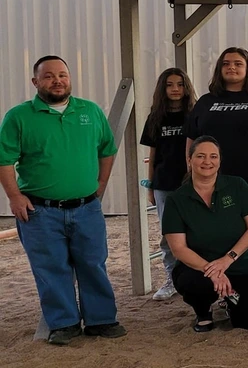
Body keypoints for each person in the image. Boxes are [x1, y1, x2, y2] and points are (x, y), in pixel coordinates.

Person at [0, 55, 127, 346]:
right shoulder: (19, 117)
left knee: (93, 263)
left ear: (70, 79)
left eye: (62, 75)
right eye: (48, 76)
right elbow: (4, 159)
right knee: (51, 267)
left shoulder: (90, 112)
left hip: (86, 208)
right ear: (35, 82)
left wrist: (102, 182)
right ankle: (64, 323)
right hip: (40, 211)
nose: (57, 80)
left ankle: (101, 320)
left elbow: (107, 148)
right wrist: (14, 196)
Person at [163, 136, 248, 332]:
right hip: (201, 269)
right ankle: (203, 311)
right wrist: (213, 271)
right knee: (192, 282)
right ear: (189, 160)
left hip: (240, 263)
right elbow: (178, 248)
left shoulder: (237, 185)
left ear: (220, 161)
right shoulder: (176, 200)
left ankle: (229, 299)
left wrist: (227, 260)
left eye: (213, 156)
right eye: (200, 156)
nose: (207, 162)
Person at [184, 47, 248, 210]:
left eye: (238, 64)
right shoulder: (205, 102)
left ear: (247, 68)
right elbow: (192, 137)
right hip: (210, 177)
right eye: (226, 63)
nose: (231, 67)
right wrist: (190, 168)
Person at [141, 67, 198, 301]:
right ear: (162, 89)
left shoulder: (194, 115)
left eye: (180, 84)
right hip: (165, 184)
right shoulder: (156, 117)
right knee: (169, 233)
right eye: (170, 85)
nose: (175, 89)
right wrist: (150, 185)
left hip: (192, 183)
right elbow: (153, 155)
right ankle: (171, 279)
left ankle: (196, 275)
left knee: (195, 230)